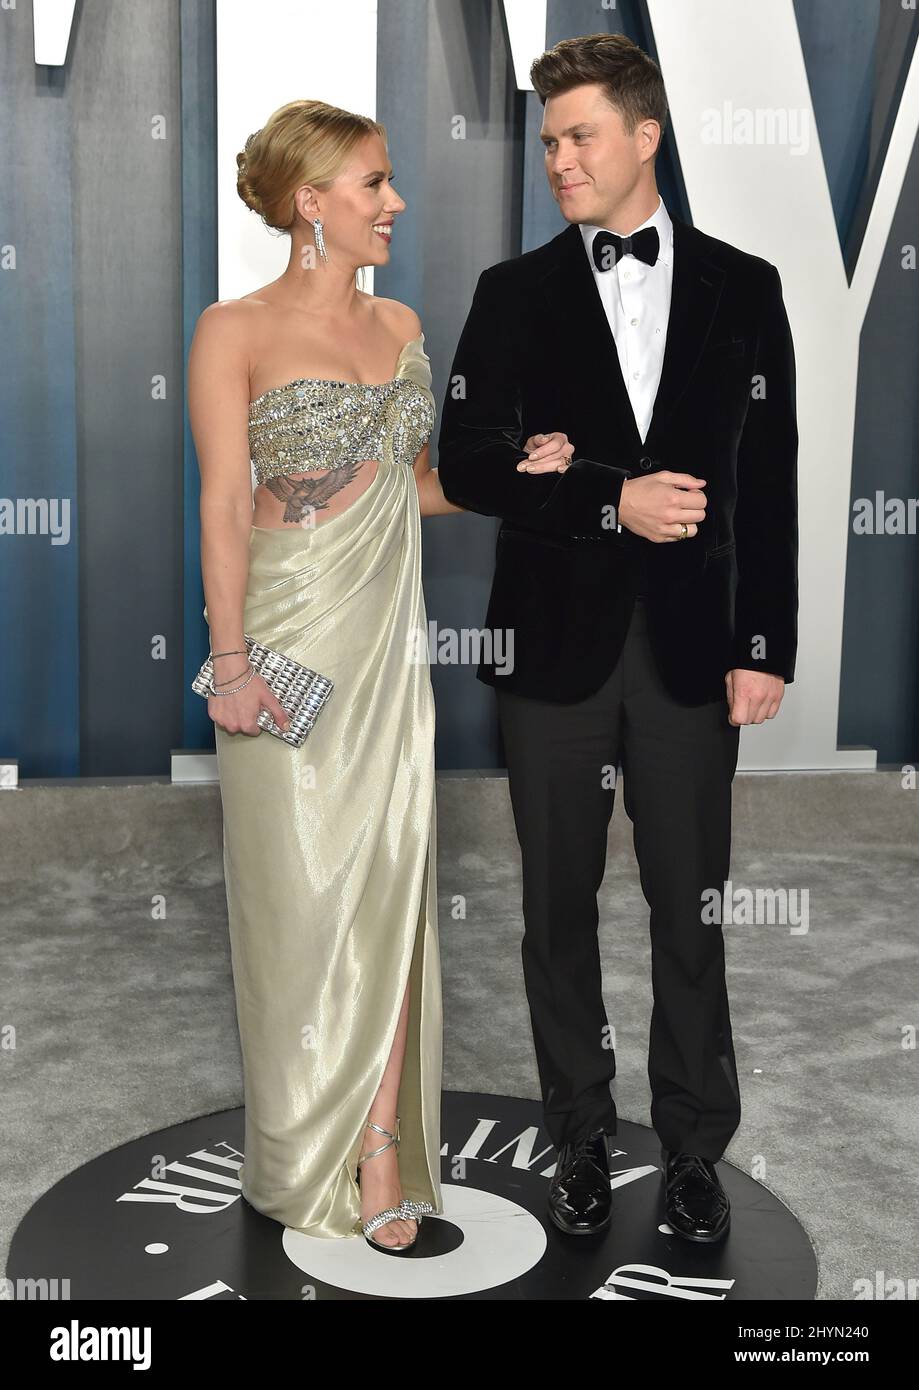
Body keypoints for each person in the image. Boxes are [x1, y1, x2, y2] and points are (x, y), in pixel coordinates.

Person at [437, 33, 798, 1243]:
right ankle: (579, 1138)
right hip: (552, 654)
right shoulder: (511, 292)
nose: (558, 160)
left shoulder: (744, 287)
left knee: (689, 909)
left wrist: (765, 642)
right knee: (555, 906)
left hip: (697, 650)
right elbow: (471, 462)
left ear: (647, 137)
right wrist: (601, 491)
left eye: (579, 135)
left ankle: (694, 1149)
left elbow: (771, 481)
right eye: (546, 141)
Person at [187, 99, 466, 1252]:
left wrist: (525, 474)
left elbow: (419, 488)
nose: (393, 201)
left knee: (391, 884)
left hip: (389, 646)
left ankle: (381, 1146)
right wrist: (232, 662)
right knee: (297, 899)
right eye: (371, 183)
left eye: (388, 180)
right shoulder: (231, 330)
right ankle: (301, 1143)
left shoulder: (402, 321)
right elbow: (218, 506)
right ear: (311, 203)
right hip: (287, 642)